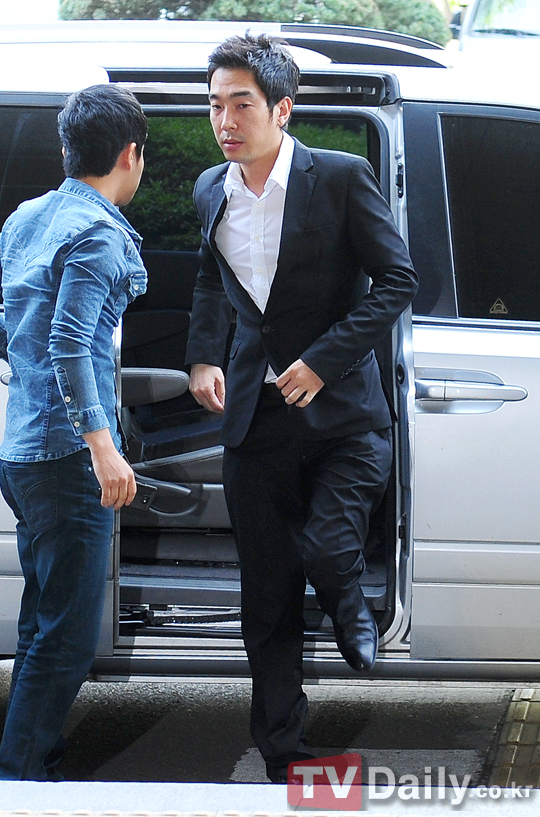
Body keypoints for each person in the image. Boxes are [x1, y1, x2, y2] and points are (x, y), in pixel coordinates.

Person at [186, 34, 418, 783]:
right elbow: (209, 278)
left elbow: (397, 280)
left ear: (283, 109)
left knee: (326, 545)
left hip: (344, 415)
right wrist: (203, 356)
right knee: (267, 594)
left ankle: (352, 605)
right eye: (214, 105)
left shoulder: (341, 177)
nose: (224, 120)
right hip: (256, 419)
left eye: (241, 104)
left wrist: (325, 359)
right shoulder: (209, 188)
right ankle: (285, 753)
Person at [0, 84, 148, 781]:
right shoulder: (99, 234)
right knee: (67, 636)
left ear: (67, 148)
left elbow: (15, 330)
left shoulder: (26, 217)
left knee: (43, 621)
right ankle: (23, 775)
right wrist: (103, 447)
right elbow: (70, 343)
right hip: (65, 456)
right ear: (130, 155)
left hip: (21, 447)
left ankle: (23, 765)